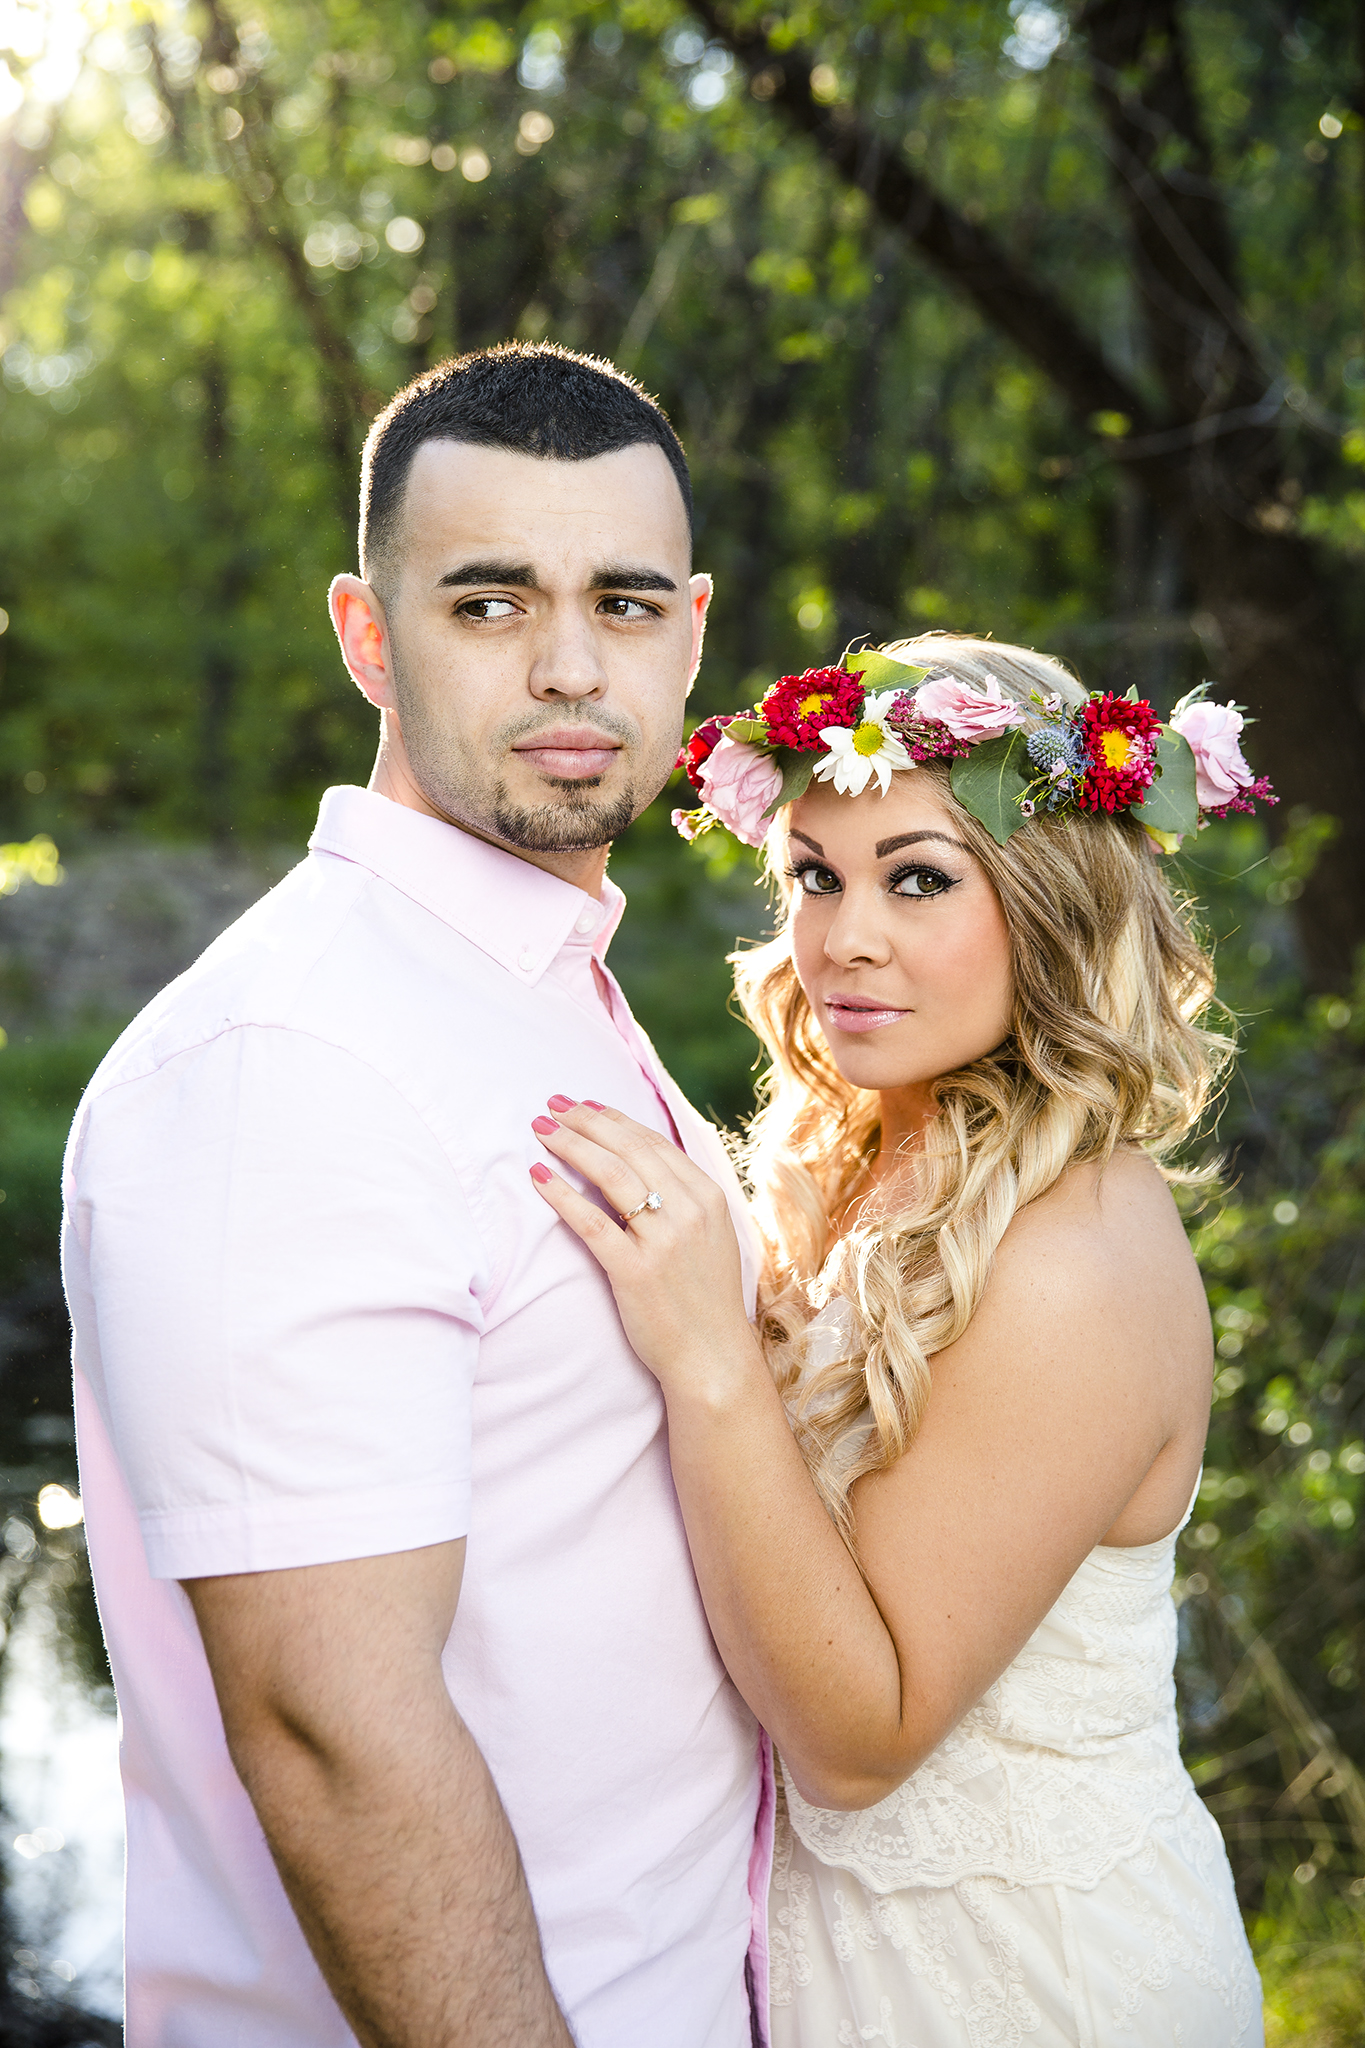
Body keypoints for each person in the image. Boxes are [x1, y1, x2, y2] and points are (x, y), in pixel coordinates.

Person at [62, 342, 773, 2048]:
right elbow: (330, 1732)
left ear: (689, 629)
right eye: (485, 604)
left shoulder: (550, 991)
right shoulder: (286, 1062)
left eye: (618, 603)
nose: (565, 667)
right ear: (365, 638)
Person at [529, 634, 1267, 2045]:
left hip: (1025, 1980)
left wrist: (708, 1360)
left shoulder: (1072, 1259)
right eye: (815, 874)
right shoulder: (867, 1146)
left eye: (917, 878)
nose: (840, 938)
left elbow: (862, 1740)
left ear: (1051, 906)